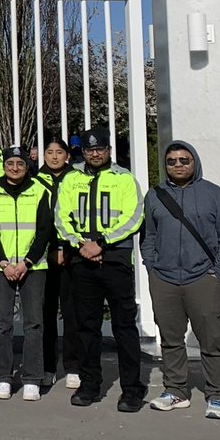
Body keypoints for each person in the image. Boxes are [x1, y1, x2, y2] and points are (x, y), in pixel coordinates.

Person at [141, 141, 220, 420]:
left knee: (211, 340)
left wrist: (218, 272)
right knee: (170, 339)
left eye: (184, 160)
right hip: (165, 279)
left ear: (194, 162)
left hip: (203, 278)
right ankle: (176, 391)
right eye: (172, 161)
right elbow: (148, 236)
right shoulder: (155, 196)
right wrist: (152, 267)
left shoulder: (214, 195)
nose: (178, 165)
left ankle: (218, 396)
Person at [56, 124, 145, 413]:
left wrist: (101, 244)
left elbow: (134, 217)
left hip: (115, 259)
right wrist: (81, 244)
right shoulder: (72, 178)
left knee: (124, 326)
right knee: (87, 327)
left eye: (100, 148)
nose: (95, 153)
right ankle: (90, 384)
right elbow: (61, 216)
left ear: (108, 150)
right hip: (82, 258)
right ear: (83, 151)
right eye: (90, 149)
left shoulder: (124, 179)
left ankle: (131, 389)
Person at [0, 145, 52, 401]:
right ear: (4, 166)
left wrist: (27, 262)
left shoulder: (40, 191)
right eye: (10, 163)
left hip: (33, 266)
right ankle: (2, 376)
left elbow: (45, 230)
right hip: (0, 267)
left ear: (26, 167)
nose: (14, 168)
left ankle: (32, 377)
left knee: (34, 323)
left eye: (20, 164)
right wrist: (3, 262)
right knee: (2, 324)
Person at [36, 137, 80, 390]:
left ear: (67, 155)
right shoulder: (35, 180)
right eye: (49, 152)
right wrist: (51, 248)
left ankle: (73, 365)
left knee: (72, 311)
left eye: (59, 152)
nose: (54, 157)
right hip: (43, 254)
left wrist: (65, 247)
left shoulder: (76, 179)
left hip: (72, 253)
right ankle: (48, 365)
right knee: (45, 312)